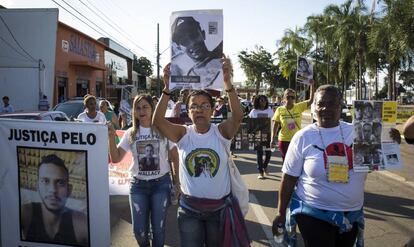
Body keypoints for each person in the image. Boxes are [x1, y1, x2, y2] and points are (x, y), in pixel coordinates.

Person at [272, 85, 401, 247]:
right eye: (321, 104)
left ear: (340, 106)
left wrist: (391, 141)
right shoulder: (302, 137)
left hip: (352, 215)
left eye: (332, 103)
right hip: (313, 213)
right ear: (314, 107)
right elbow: (289, 178)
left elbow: (381, 157)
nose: (326, 108)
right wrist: (280, 212)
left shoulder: (360, 132)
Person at [153, 56, 250, 246]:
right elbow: (157, 121)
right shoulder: (183, 134)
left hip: (219, 210)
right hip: (189, 210)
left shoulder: (221, 132)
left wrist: (228, 83)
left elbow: (238, 116)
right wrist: (166, 88)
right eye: (194, 106)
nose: (199, 110)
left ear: (213, 111)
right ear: (187, 112)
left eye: (205, 105)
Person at [108, 94, 179, 247]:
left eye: (145, 107)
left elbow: (174, 157)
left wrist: (177, 182)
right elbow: (115, 158)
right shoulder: (130, 134)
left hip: (161, 185)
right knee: (139, 231)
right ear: (134, 112)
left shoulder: (163, 130)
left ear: (152, 109)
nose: (141, 111)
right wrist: (110, 139)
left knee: (158, 229)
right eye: (138, 108)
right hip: (138, 186)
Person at [20, 154, 88, 246]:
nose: (52, 190)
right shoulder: (26, 212)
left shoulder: (81, 223)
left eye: (60, 182)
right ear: (37, 187)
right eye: (45, 181)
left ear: (69, 190)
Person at [170, 16, 223, 88]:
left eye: (194, 35)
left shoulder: (222, 63)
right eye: (184, 41)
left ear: (203, 34)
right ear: (179, 48)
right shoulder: (188, 79)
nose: (192, 43)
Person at [270, 85, 314, 161]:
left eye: (292, 97)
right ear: (284, 98)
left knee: (296, 161)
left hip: (297, 139)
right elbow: (275, 125)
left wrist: (311, 85)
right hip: (284, 140)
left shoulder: (299, 107)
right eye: (288, 97)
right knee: (286, 161)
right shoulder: (279, 110)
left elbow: (311, 100)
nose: (290, 99)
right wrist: (272, 139)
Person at [248, 95, 274, 179]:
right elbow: (250, 124)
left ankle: (265, 166)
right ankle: (261, 172)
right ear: (258, 101)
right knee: (259, 154)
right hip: (258, 136)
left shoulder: (270, 111)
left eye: (265, 100)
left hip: (268, 135)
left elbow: (274, 122)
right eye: (261, 100)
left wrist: (274, 134)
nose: (263, 101)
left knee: (268, 153)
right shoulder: (253, 112)